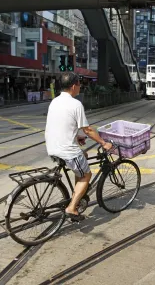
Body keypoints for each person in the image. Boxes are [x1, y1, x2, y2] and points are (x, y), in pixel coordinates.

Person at [45, 72, 112, 222]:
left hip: (52, 147)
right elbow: (87, 130)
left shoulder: (54, 101)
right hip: (66, 150)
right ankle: (72, 207)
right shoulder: (75, 104)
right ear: (74, 86)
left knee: (84, 156)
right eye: (80, 84)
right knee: (86, 175)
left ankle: (78, 194)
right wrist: (104, 143)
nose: (80, 87)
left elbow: (60, 125)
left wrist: (76, 137)